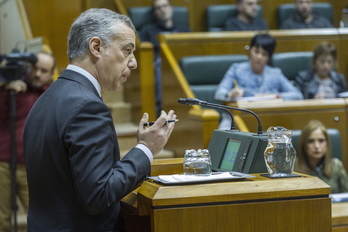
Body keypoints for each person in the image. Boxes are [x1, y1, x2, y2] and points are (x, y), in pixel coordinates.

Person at [23, 8, 176, 231]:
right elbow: (98, 195)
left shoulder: (48, 97)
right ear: (96, 47)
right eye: (127, 51)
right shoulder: (87, 106)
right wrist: (146, 148)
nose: (133, 63)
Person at [0, 51, 55, 232]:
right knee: (2, 220)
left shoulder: (52, 95)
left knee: (42, 217)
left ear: (51, 74)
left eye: (44, 71)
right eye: (35, 69)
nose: (38, 74)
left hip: (34, 167)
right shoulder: (12, 87)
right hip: (3, 162)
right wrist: (5, 89)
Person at [215, 33, 303, 130]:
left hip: (267, 119)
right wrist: (230, 94)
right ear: (250, 50)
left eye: (264, 54)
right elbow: (219, 93)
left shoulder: (275, 74)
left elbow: (297, 95)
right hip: (238, 118)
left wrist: (275, 96)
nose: (259, 57)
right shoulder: (236, 69)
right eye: (256, 52)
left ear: (269, 57)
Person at [139, 0, 190, 117]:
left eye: (165, 6)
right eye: (158, 8)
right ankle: (160, 109)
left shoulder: (184, 30)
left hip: (182, 62)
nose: (163, 10)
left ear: (171, 8)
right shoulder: (148, 30)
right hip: (159, 63)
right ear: (154, 13)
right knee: (160, 64)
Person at [294, 120, 348, 193]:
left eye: (321, 141)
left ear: (327, 143)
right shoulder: (293, 168)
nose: (317, 146)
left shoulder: (336, 165)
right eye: (311, 141)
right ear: (303, 144)